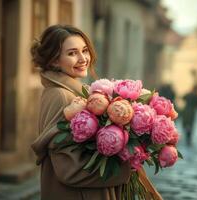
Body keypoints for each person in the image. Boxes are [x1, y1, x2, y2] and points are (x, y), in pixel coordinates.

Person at [30, 25, 161, 200]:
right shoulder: (61, 96)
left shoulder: (71, 92)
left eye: (84, 50)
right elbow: (69, 170)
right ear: (54, 61)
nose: (83, 58)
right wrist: (123, 167)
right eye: (72, 53)